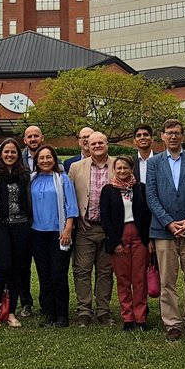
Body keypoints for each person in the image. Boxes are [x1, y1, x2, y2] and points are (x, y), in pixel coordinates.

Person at [145, 118, 185, 341]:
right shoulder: (154, 163)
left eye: (177, 133)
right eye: (169, 132)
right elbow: (151, 196)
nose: (173, 136)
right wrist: (168, 222)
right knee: (167, 280)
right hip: (164, 230)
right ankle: (172, 323)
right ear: (162, 136)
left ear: (183, 136)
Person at [0, 138, 31, 328]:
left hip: (20, 225)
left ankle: (10, 312)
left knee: (16, 270)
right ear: (1, 153)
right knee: (2, 268)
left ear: (18, 155)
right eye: (6, 151)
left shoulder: (25, 174)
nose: (10, 155)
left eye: (13, 152)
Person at [100, 155, 152, 331]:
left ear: (131, 169)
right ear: (114, 170)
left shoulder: (140, 188)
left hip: (139, 237)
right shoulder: (108, 190)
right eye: (119, 168)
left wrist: (149, 240)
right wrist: (115, 242)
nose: (122, 171)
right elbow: (105, 218)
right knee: (123, 279)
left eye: (125, 168)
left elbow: (147, 215)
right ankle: (128, 317)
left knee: (139, 279)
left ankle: (141, 317)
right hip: (119, 238)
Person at [68, 130, 116, 326]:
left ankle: (103, 310)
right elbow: (69, 198)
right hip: (85, 228)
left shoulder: (118, 164)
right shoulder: (76, 168)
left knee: (105, 271)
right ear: (87, 145)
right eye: (93, 143)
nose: (97, 146)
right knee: (82, 270)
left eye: (100, 143)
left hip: (109, 230)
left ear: (107, 144)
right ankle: (84, 310)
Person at [30, 144, 79, 327]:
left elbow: (71, 205)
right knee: (44, 275)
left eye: (48, 157)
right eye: (41, 158)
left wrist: (68, 229)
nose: (45, 161)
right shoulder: (31, 179)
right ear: (36, 161)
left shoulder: (62, 179)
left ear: (54, 159)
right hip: (37, 233)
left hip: (59, 233)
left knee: (58, 274)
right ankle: (49, 313)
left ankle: (62, 316)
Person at [18, 125, 44, 317]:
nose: (33, 139)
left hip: (45, 221)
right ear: (25, 140)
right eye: (30, 136)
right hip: (23, 220)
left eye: (36, 136)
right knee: (22, 265)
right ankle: (25, 302)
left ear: (42, 138)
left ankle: (46, 302)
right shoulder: (17, 159)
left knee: (44, 265)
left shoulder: (51, 158)